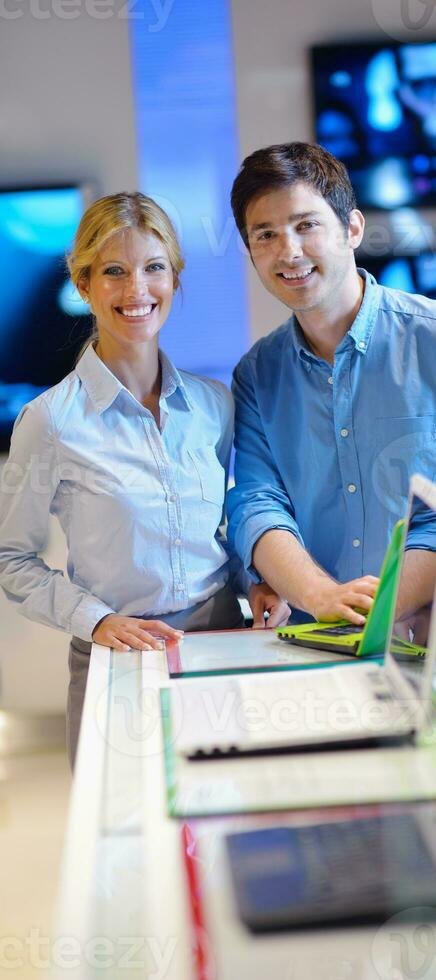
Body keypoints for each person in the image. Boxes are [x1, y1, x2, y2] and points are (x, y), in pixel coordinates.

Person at [226, 142, 436, 627]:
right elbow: (256, 504)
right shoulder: (257, 374)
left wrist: (415, 592)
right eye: (266, 235)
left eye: (307, 225)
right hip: (320, 643)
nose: (289, 251)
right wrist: (322, 596)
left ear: (352, 228)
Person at [0, 191, 288, 767]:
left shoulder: (213, 405)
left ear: (174, 281)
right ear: (83, 285)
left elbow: (223, 522)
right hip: (117, 658)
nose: (137, 290)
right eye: (114, 272)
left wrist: (257, 577)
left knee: (228, 811)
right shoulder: (51, 421)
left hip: (220, 643)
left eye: (154, 268)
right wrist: (97, 620)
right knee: (118, 847)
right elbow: (12, 559)